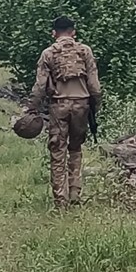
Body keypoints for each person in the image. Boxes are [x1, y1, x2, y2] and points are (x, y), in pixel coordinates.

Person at [26, 16, 102, 209]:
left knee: (58, 151)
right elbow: (94, 86)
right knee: (76, 148)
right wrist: (95, 107)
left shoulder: (48, 53)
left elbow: (40, 85)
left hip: (58, 106)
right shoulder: (85, 51)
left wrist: (31, 108)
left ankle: (61, 200)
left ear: (54, 33)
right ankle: (75, 191)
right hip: (81, 106)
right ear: (73, 32)